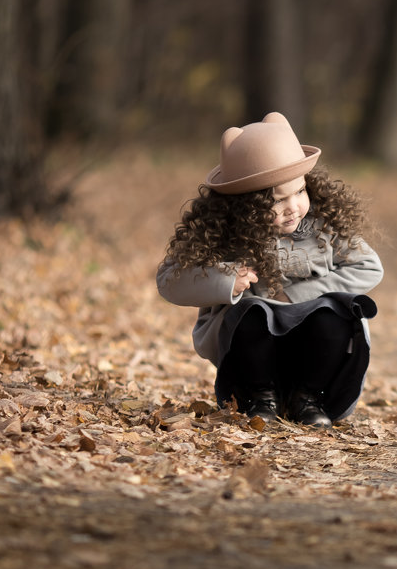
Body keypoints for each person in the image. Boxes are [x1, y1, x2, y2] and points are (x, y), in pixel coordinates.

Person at [157, 112, 382, 427]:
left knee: (334, 314)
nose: (294, 206)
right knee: (252, 315)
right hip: (254, 355)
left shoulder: (323, 227)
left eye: (300, 192)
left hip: (314, 350)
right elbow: (169, 280)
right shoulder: (229, 236)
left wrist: (296, 294)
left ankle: (309, 398)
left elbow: (369, 266)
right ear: (246, 207)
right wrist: (225, 280)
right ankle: (259, 398)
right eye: (277, 200)